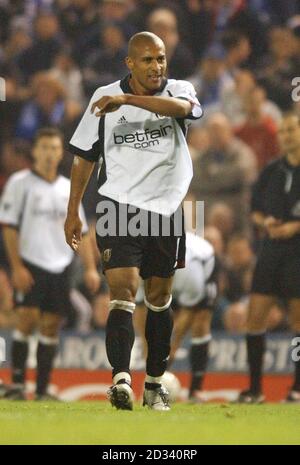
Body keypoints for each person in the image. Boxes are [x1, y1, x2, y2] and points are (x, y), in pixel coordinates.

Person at [64, 31, 202, 411]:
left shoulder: (179, 89)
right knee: (122, 293)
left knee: (158, 299)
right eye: (147, 60)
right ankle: (121, 379)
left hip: (166, 206)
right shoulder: (101, 97)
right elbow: (83, 158)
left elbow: (185, 111)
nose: (156, 67)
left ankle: (155, 383)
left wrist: (126, 101)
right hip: (119, 204)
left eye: (160, 59)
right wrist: (73, 208)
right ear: (130, 63)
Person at [0, 127, 100, 400]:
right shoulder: (20, 183)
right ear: (34, 152)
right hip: (30, 262)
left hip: (61, 264)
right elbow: (8, 227)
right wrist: (17, 267)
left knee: (51, 324)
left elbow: (81, 231)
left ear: (60, 153)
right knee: (27, 319)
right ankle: (18, 385)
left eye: (54, 148)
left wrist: (90, 267)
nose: (49, 153)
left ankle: (43, 390)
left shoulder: (68, 188)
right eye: (44, 147)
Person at [238, 113, 300, 403]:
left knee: (298, 321)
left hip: (298, 250)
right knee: (255, 317)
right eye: (284, 131)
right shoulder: (271, 170)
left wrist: (294, 226)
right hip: (271, 249)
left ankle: (297, 388)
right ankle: (254, 389)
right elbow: (255, 209)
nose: (286, 136)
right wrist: (266, 223)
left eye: (292, 130)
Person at [134, 232, 218, 403]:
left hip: (202, 263)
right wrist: (146, 347)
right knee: (152, 344)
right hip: (172, 270)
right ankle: (154, 381)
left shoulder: (189, 274)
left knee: (201, 322)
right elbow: (141, 308)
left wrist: (171, 347)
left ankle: (196, 390)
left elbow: (189, 312)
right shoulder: (141, 269)